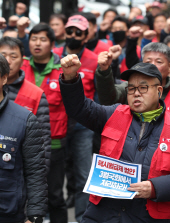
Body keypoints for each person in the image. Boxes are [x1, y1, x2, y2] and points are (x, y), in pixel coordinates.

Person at [59, 58, 170, 222]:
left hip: (152, 216)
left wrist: (154, 188)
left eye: (143, 87)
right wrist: (70, 78)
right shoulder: (113, 114)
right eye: (131, 88)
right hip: (104, 214)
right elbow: (79, 108)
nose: (136, 93)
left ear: (159, 91)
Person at [20, 23, 68, 223]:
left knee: (54, 196)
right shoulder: (19, 67)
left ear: (52, 44)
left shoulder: (63, 70)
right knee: (22, 197)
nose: (37, 43)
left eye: (42, 39)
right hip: (21, 144)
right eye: (33, 39)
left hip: (54, 144)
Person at [52, 15, 98, 222]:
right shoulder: (53, 56)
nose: (73, 35)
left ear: (86, 36)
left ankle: (82, 218)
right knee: (52, 175)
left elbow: (99, 95)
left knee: (83, 174)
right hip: (55, 124)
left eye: (78, 32)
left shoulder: (94, 59)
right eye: (70, 31)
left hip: (82, 125)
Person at [0, 54, 47, 223]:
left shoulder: (25, 120)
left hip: (8, 212)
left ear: (4, 79)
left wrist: (35, 216)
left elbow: (35, 172)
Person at [0, 36, 51, 176]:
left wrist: (40, 176)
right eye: (3, 55)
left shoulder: (36, 94)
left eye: (13, 56)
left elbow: (43, 141)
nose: (8, 61)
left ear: (23, 61)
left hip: (20, 169)